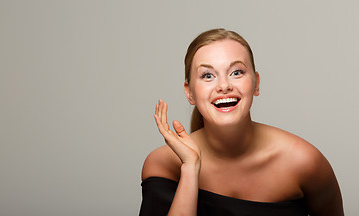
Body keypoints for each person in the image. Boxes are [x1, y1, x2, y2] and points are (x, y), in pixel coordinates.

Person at [139, 28, 344, 216]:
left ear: (256, 84)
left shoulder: (305, 161)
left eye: (236, 72)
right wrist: (190, 169)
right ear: (189, 93)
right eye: (208, 75)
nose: (224, 85)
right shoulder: (163, 164)